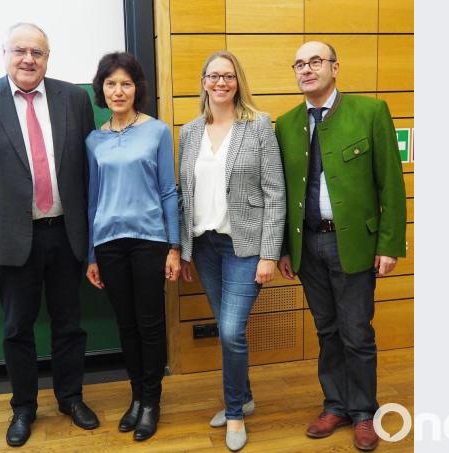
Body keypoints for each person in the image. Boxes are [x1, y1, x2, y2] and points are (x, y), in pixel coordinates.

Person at [0, 23, 99, 447]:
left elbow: (89, 172)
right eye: (20, 51)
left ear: (48, 58)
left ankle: (71, 398)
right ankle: (23, 407)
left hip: (66, 234)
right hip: (13, 238)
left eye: (37, 52)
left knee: (69, 324)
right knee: (17, 328)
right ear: (5, 53)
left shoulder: (74, 98)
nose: (28, 59)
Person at [274, 41, 407, 451]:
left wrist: (389, 244)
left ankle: (364, 411)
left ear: (335, 67)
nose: (306, 69)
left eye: (315, 61)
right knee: (327, 331)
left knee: (356, 332)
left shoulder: (370, 112)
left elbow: (391, 184)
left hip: (354, 245)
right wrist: (282, 248)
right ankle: (335, 404)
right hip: (307, 246)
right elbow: (281, 193)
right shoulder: (287, 123)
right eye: (299, 63)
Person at [178, 50, 286, 452]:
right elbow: (184, 194)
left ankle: (236, 412)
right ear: (203, 81)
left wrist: (269, 254)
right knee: (229, 331)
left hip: (244, 246)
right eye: (213, 76)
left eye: (228, 76)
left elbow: (275, 192)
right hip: (205, 246)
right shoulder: (189, 132)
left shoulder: (257, 126)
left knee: (229, 330)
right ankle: (246, 395)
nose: (221, 83)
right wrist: (184, 249)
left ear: (238, 81)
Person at [84, 52, 180, 441]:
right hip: (108, 243)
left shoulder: (156, 131)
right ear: (101, 90)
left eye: (126, 83)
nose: (118, 90)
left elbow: (169, 192)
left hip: (149, 241)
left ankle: (152, 401)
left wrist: (174, 246)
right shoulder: (94, 140)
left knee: (150, 324)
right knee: (126, 325)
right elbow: (92, 199)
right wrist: (92, 253)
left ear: (137, 89)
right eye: (111, 84)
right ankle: (136, 397)